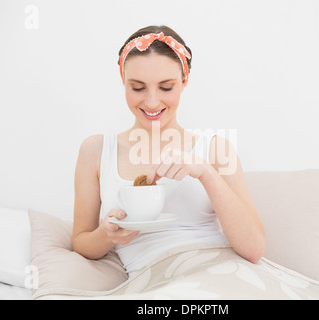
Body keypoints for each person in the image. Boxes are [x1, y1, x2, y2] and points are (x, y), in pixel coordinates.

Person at [72, 25, 265, 277]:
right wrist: (107, 235)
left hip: (223, 273)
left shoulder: (215, 148)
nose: (152, 102)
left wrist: (205, 172)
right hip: (155, 282)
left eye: (166, 87)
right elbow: (81, 242)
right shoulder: (96, 150)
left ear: (184, 82)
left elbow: (254, 248)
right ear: (123, 81)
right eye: (138, 88)